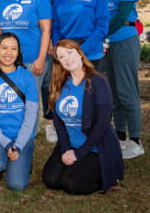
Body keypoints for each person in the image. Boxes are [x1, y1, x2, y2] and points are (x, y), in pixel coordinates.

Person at [42, 39, 124, 194]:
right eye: (61, 56)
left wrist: (79, 154)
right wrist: (66, 150)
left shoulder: (99, 82)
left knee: (72, 185)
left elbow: (102, 123)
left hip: (95, 148)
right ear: (59, 61)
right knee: (51, 180)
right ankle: (77, 165)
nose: (67, 58)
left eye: (70, 52)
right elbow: (59, 124)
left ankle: (108, 173)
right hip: (71, 145)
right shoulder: (60, 85)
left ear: (80, 54)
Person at [0, 0, 51, 134]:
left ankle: (28, 140)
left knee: (30, 103)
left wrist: (41, 59)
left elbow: (46, 30)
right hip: (8, 61)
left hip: (31, 60)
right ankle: (10, 134)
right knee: (11, 100)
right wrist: (2, 55)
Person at [0, 33, 39, 191]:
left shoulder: (27, 77)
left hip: (21, 135)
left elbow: (31, 115)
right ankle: (4, 158)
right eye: (4, 48)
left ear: (18, 52)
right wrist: (6, 143)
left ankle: (22, 158)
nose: (8, 53)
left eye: (13, 49)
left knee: (16, 185)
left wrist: (17, 145)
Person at [100, 0, 143, 159]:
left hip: (124, 38)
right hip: (108, 42)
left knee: (128, 92)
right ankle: (120, 137)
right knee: (115, 93)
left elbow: (124, 13)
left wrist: (101, 33)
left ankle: (135, 140)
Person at [21, 0, 64, 142]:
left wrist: (54, 41)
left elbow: (58, 8)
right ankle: (27, 122)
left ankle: (50, 123)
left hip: (48, 36)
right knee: (29, 83)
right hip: (28, 36)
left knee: (49, 83)